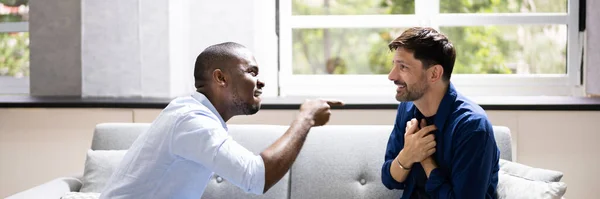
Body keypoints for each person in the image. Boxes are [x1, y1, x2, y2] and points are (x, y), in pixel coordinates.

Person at [100, 42, 343, 199]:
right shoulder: (192, 122)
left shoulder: (191, 114)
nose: (261, 82)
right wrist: (306, 118)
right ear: (220, 78)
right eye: (251, 72)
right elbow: (257, 177)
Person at [380, 27, 500, 199]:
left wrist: (426, 161)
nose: (392, 76)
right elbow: (389, 179)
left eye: (403, 67)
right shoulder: (407, 108)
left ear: (434, 73)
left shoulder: (472, 127)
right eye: (394, 65)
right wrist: (408, 155)